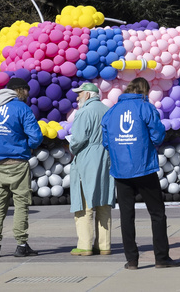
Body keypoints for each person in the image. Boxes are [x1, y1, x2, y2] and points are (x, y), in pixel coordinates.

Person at [102, 77, 178, 269]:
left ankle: (132, 260)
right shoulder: (146, 108)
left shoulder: (112, 111)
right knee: (157, 213)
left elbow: (106, 142)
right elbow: (157, 135)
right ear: (144, 91)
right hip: (144, 167)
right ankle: (161, 258)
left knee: (126, 215)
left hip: (121, 170)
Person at [0, 75, 43, 258]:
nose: (27, 95)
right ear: (19, 91)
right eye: (26, 91)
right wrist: (27, 146)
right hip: (18, 163)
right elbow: (36, 137)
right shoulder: (22, 108)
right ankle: (21, 245)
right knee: (21, 204)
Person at [67, 83, 114, 256]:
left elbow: (78, 139)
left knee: (84, 203)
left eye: (79, 94)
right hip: (106, 157)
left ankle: (85, 244)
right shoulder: (108, 110)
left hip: (87, 158)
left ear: (87, 95)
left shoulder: (84, 112)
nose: (77, 97)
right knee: (103, 201)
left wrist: (71, 146)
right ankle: (104, 245)